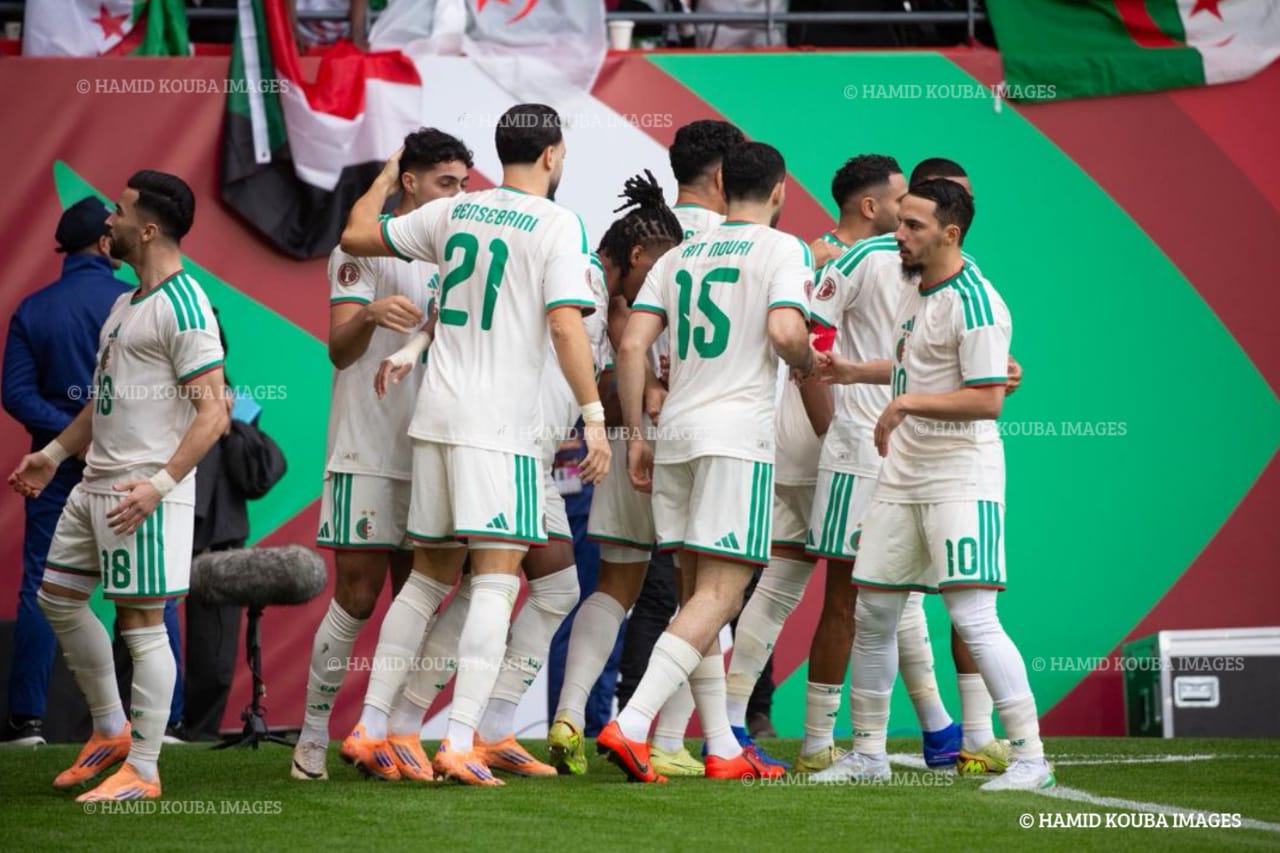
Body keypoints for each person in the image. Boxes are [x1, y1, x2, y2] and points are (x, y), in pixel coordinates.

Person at [337, 103, 608, 786]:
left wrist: (387, 177)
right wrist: (595, 414)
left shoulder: (455, 211)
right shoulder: (556, 223)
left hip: (435, 418)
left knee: (428, 578)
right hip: (503, 430)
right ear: (552, 153)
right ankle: (460, 740)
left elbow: (358, 235)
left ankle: (374, 726)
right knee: (492, 581)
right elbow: (567, 327)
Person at [815, 179, 1054, 791]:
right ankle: (867, 754)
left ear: (950, 234)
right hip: (901, 478)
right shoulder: (914, 291)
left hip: (960, 478)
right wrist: (854, 371)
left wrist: (904, 406)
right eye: (900, 222)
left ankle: (1030, 759)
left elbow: (987, 401)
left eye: (914, 226)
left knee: (973, 616)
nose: (900, 234)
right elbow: (909, 364)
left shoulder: (976, 301)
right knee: (875, 612)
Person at [8, 170, 229, 801]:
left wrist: (158, 486)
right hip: (92, 486)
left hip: (142, 496)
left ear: (149, 229)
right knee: (56, 598)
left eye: (121, 210)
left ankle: (146, 770)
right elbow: (100, 404)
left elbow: (213, 412)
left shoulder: (184, 305)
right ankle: (110, 727)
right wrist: (52, 455)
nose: (110, 220)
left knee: (141, 622)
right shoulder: (123, 303)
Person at [599, 141, 814, 783]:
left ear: (721, 184)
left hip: (678, 436)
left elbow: (633, 343)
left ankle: (720, 744)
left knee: (695, 596)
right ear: (779, 191)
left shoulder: (680, 254)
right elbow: (783, 334)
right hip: (735, 438)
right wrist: (805, 362)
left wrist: (636, 434)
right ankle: (633, 725)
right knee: (721, 596)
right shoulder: (783, 248)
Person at [291, 127, 473, 783]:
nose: (456, 195)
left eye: (463, 183)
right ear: (410, 183)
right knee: (359, 596)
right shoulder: (360, 247)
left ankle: (390, 735)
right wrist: (369, 314)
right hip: (366, 446)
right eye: (445, 182)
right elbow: (337, 349)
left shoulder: (459, 251)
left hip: (432, 449)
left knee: (416, 597)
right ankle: (312, 734)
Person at [544, 172, 688, 776]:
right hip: (667, 444)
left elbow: (606, 374)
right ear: (637, 255)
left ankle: (570, 716)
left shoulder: (608, 294)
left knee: (611, 585)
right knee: (702, 592)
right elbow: (615, 361)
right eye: (656, 268)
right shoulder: (591, 286)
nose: (660, 280)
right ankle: (676, 741)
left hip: (626, 439)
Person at [2, 198, 129, 746]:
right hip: (126, 468)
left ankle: (27, 722)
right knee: (148, 590)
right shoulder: (136, 303)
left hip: (53, 471)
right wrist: (97, 437)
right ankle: (164, 723)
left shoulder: (34, 308)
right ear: (105, 243)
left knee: (41, 586)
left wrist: (63, 444)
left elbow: (15, 394)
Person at [184, 313, 287, 740]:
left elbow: (257, 477)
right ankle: (138, 728)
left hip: (220, 539)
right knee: (138, 634)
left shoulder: (240, 403)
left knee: (215, 652)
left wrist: (231, 431)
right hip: (163, 527)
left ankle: (196, 731)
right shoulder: (157, 397)